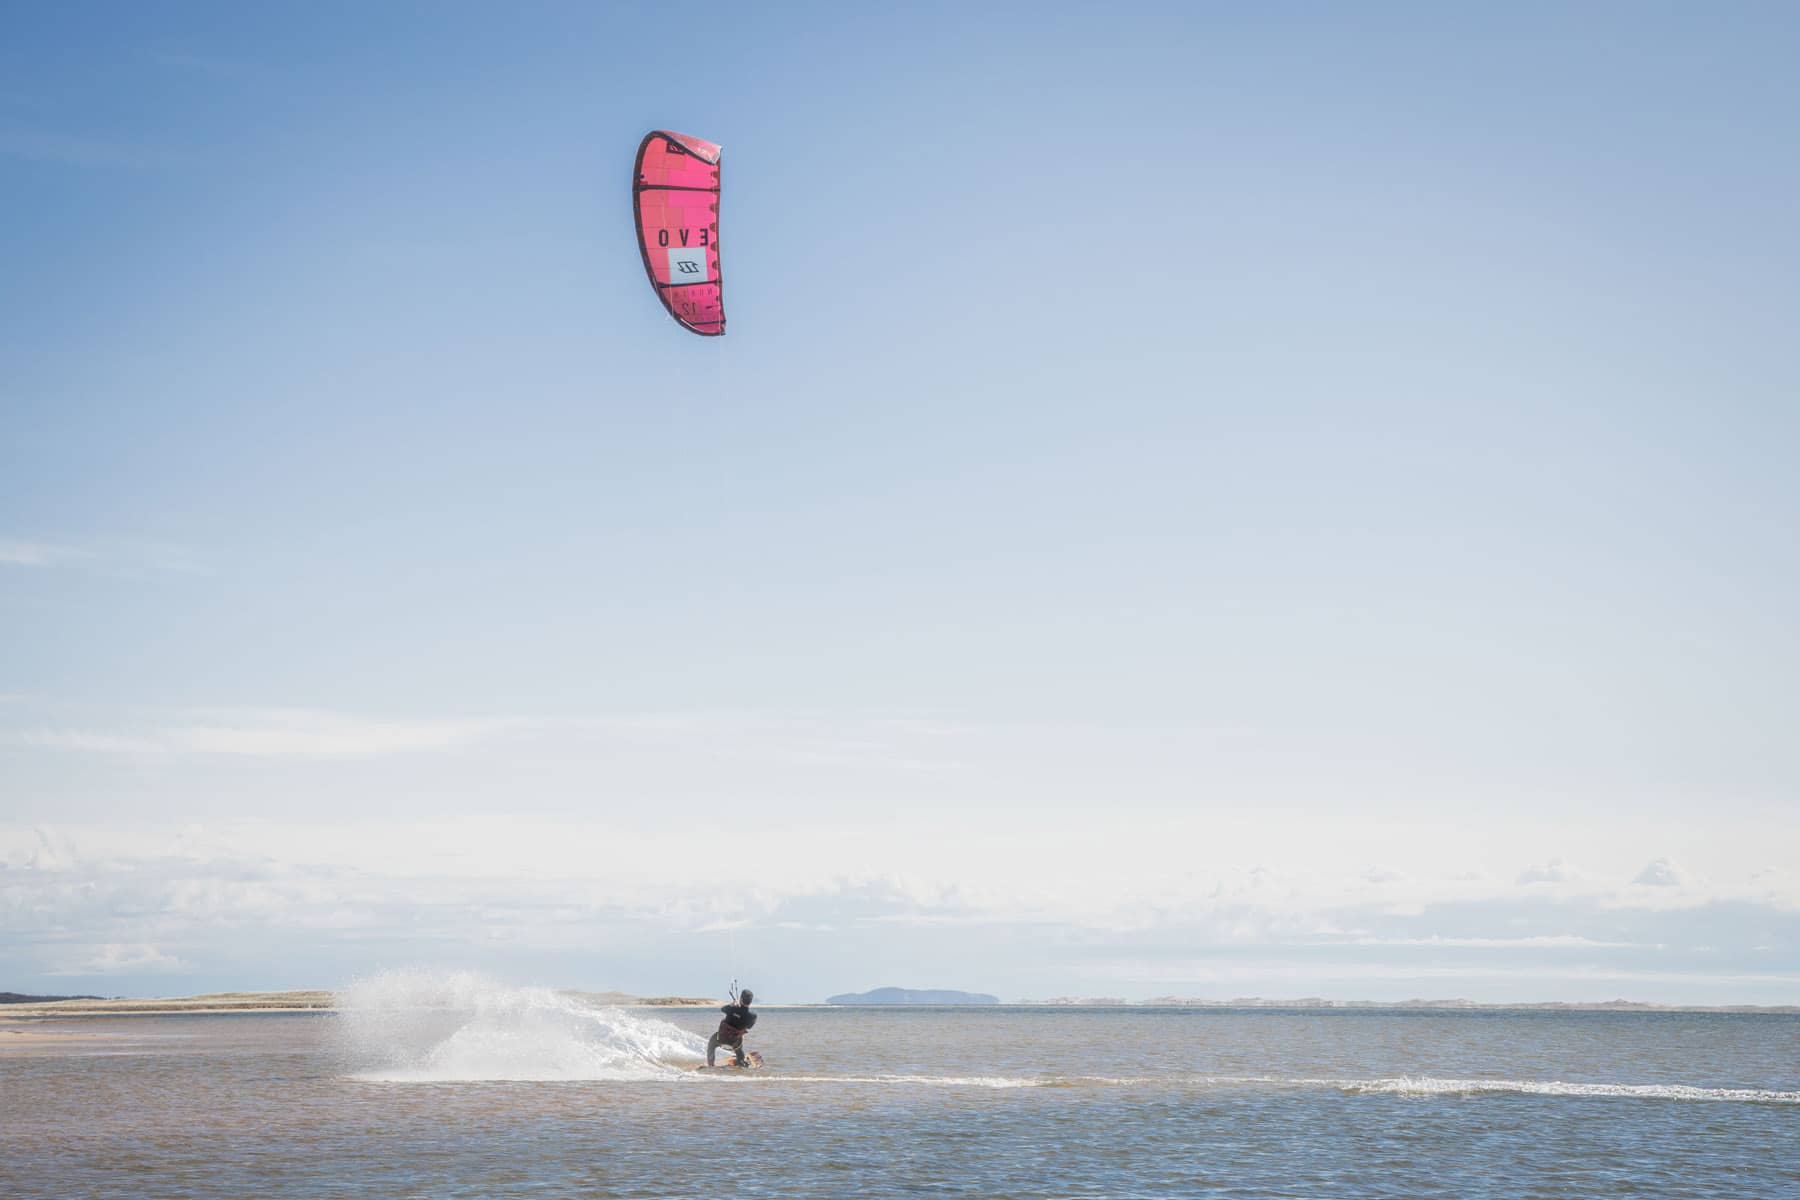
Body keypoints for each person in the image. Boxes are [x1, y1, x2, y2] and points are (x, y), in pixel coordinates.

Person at [706, 988, 756, 1067]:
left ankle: (711, 1065)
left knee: (711, 1045)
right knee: (739, 1048)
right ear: (750, 1001)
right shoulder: (753, 1016)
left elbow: (723, 1009)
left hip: (720, 1038)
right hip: (735, 1042)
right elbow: (749, 1027)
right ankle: (741, 1061)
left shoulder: (732, 1009)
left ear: (741, 999)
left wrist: (732, 1005)